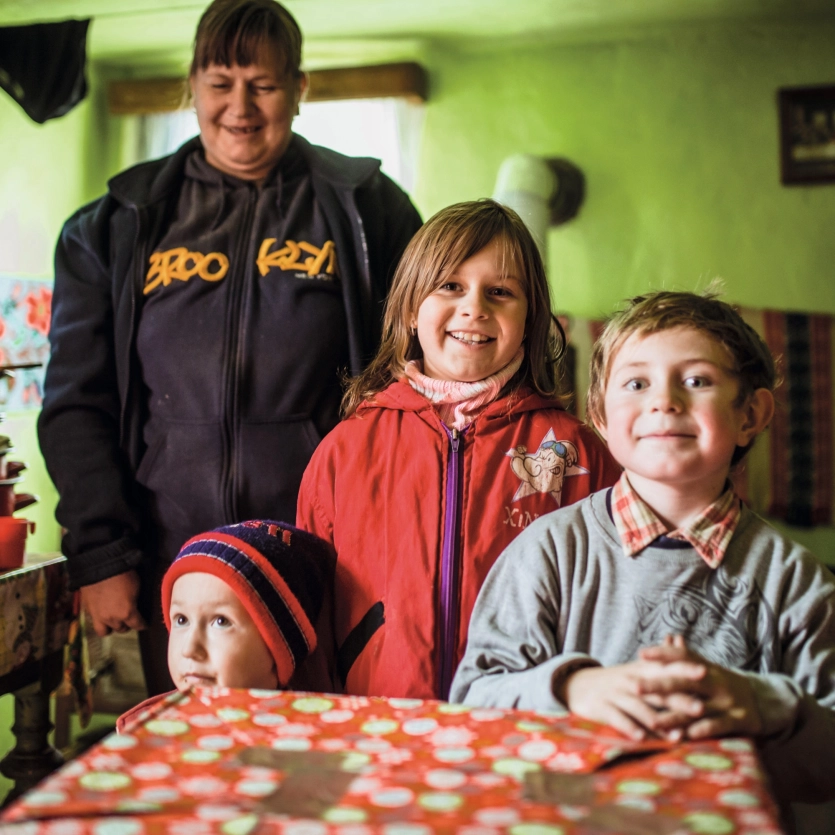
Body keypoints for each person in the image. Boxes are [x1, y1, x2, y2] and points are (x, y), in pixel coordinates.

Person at [37, 0, 422, 696]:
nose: (240, 107)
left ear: (299, 90)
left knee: (314, 771)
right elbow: (75, 403)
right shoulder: (113, 227)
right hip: (171, 570)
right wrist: (99, 552)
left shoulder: (369, 211)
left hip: (322, 567)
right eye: (220, 83)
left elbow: (412, 385)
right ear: (191, 87)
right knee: (188, 774)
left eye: (264, 85)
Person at [450, 289, 835, 809]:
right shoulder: (546, 553)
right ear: (600, 416)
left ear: (751, 414)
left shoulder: (798, 581)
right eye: (636, 382)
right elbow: (472, 705)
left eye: (697, 380)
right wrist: (573, 688)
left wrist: (764, 704)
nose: (664, 401)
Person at [296, 199, 621, 700]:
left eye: (500, 292)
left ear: (531, 318)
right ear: (409, 308)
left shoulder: (577, 453)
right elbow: (310, 614)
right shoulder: (346, 450)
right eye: (450, 286)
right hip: (380, 722)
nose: (475, 307)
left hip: (524, 724)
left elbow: (613, 602)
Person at [116, 519, 333, 732]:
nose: (189, 649)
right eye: (181, 619)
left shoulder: (307, 739)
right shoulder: (145, 731)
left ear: (280, 649)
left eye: (221, 621)